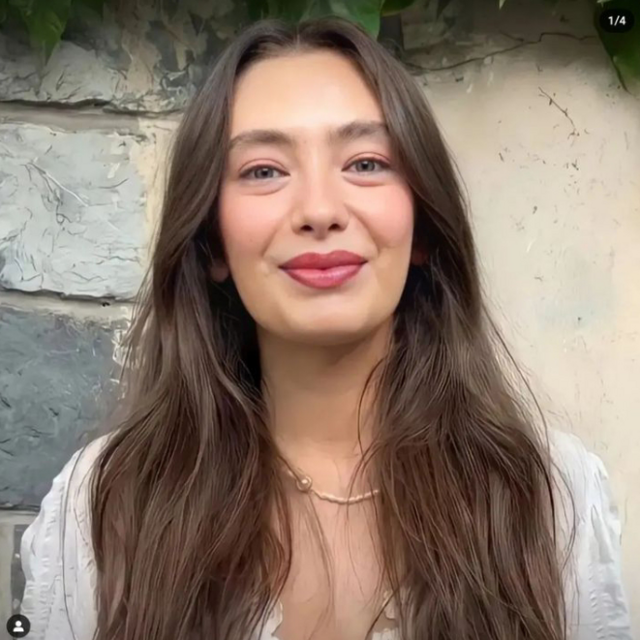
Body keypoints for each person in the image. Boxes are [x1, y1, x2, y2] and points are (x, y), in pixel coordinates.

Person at [19, 16, 632, 640]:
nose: (319, 210)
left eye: (366, 163)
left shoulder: (549, 494)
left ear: (423, 226)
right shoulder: (103, 504)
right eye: (263, 171)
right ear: (212, 242)